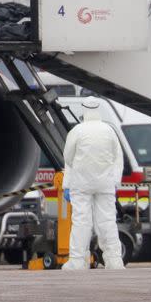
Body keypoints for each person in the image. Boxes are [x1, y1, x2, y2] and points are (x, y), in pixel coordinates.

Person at [61, 97, 125, 270]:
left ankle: (77, 261)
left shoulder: (77, 130)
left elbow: (68, 157)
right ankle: (114, 260)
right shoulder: (109, 130)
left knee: (81, 221)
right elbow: (118, 157)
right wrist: (115, 182)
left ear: (83, 109)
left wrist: (68, 183)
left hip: (81, 183)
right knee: (107, 221)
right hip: (105, 183)